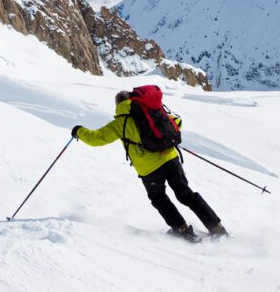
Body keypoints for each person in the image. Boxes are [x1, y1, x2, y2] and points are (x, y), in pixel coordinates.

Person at [71, 89, 227, 242]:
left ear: (118, 104)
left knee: (159, 198)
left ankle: (181, 229)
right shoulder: (152, 112)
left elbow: (97, 138)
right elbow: (177, 122)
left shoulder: (120, 122)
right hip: (171, 159)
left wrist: (79, 131)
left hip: (150, 170)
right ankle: (217, 228)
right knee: (186, 194)